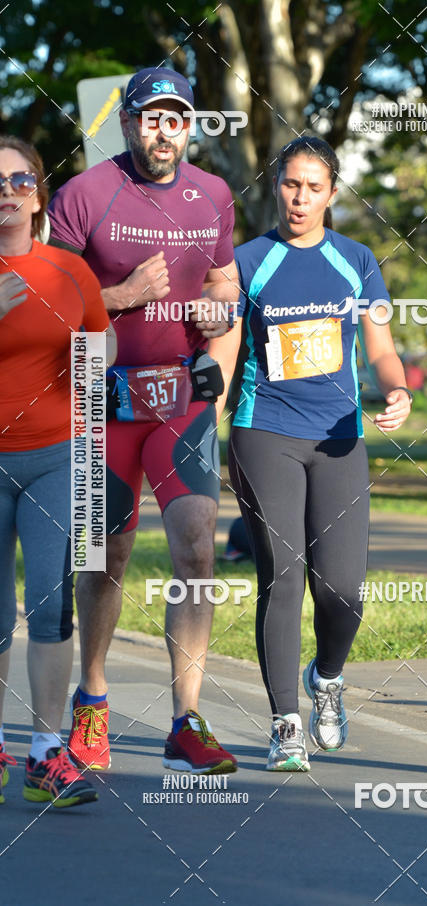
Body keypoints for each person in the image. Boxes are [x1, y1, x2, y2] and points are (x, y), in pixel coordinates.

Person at [48, 67, 240, 774]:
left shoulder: (212, 195)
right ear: (128, 123)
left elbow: (225, 282)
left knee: (196, 549)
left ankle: (186, 720)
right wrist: (122, 295)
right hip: (103, 404)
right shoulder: (85, 194)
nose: (165, 131)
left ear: (190, 127)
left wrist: (219, 312)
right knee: (107, 556)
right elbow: (48, 295)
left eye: (177, 119)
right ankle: (92, 701)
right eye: (151, 118)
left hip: (180, 402)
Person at [209, 136, 412, 771]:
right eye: (291, 185)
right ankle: (284, 722)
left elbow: (379, 346)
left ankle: (326, 679)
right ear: (277, 186)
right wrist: (203, 405)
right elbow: (225, 349)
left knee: (345, 590)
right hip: (264, 430)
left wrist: (397, 386)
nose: (300, 198)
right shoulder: (248, 261)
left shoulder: (358, 260)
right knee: (284, 574)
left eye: (313, 187)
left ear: (332, 193)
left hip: (339, 436)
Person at [0, 136, 116, 807]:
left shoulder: (71, 273)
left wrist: (94, 371)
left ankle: (47, 752)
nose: (8, 192)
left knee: (50, 605)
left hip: (55, 457)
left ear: (39, 195)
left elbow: (100, 342)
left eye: (21, 181)